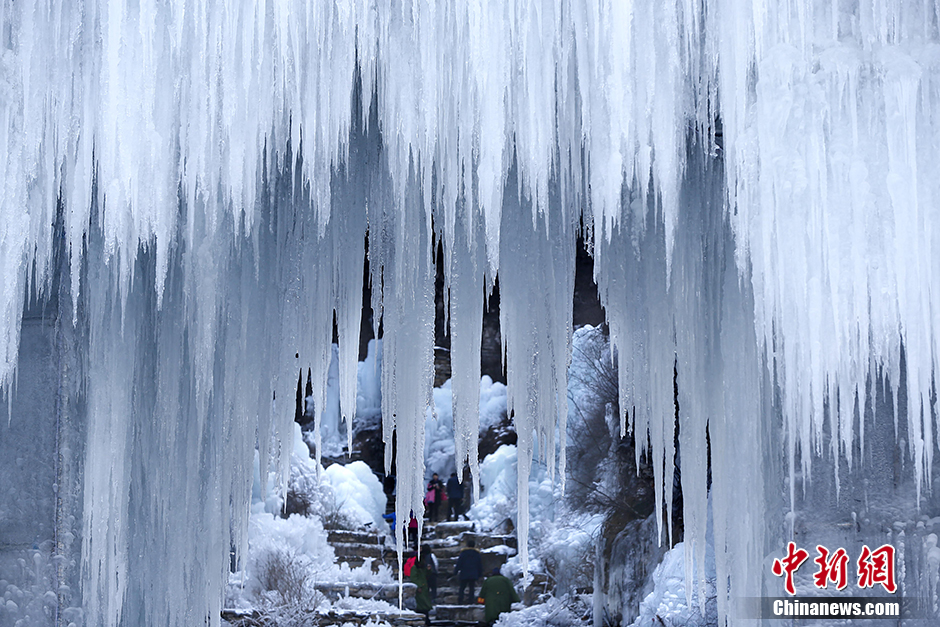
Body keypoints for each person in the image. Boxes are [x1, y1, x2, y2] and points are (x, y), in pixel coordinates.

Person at [408, 550, 434, 625]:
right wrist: (418, 586)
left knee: (425, 605)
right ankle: (424, 620)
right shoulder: (414, 568)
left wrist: (429, 570)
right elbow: (414, 578)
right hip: (420, 589)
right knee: (422, 605)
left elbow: (427, 575)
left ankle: (426, 619)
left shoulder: (423, 568)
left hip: (424, 589)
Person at [454, 539, 483, 604]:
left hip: (464, 572)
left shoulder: (463, 553)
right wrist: (480, 574)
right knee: (472, 588)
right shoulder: (477, 554)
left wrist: (455, 572)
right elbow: (479, 564)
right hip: (473, 573)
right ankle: (471, 600)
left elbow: (459, 563)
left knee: (462, 587)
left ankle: (460, 600)